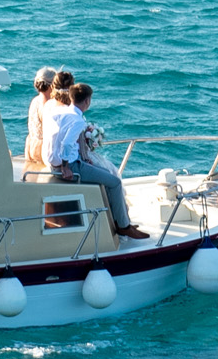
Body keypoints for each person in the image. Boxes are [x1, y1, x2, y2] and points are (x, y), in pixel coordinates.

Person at [49, 82, 149, 240]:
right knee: (115, 181)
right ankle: (123, 227)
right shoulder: (77, 120)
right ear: (87, 101)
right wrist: (66, 167)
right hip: (73, 166)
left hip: (62, 164)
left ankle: (120, 220)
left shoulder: (63, 113)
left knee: (107, 174)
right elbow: (67, 143)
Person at [22, 66, 59, 178]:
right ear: (52, 85)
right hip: (43, 149)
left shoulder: (35, 100)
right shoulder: (49, 105)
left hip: (31, 146)